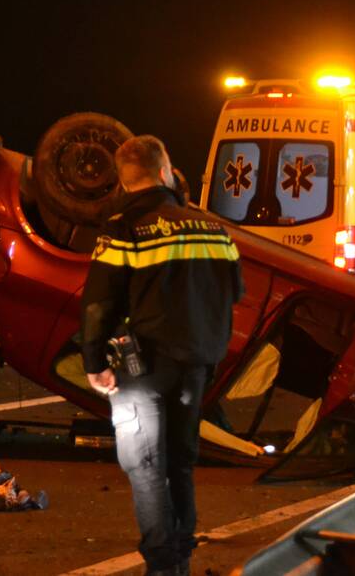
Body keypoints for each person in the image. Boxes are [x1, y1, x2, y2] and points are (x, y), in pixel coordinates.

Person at [80, 135, 243, 576]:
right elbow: (235, 291)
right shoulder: (213, 229)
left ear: (122, 180)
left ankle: (163, 566)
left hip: (142, 368)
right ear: (166, 171)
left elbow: (97, 304)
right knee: (180, 463)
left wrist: (94, 362)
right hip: (197, 364)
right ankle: (180, 561)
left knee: (145, 467)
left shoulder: (123, 228)